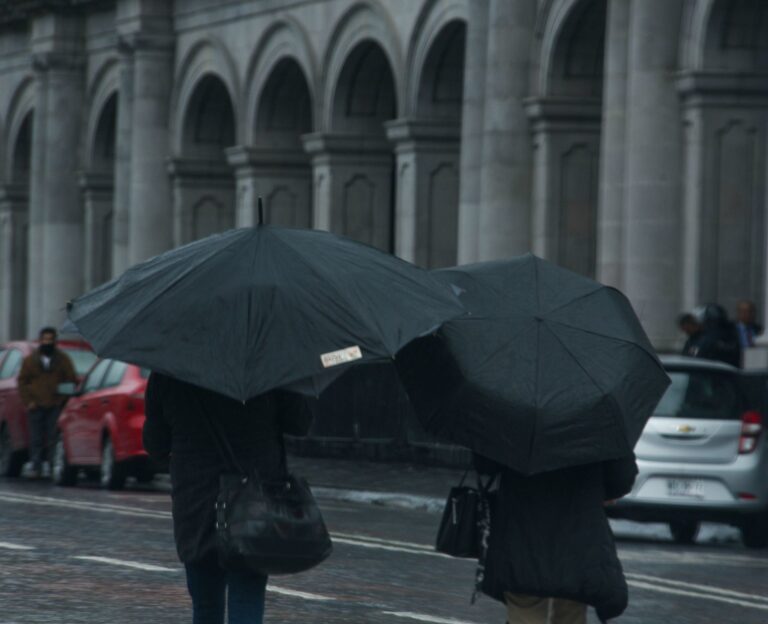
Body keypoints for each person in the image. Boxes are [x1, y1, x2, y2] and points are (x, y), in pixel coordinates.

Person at [142, 372, 313, 624]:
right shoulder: (267, 368)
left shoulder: (169, 370)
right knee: (247, 595)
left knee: (206, 605)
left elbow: (155, 445)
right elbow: (300, 423)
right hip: (254, 499)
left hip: (196, 502)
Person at [475, 453, 637, 624]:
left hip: (522, 539)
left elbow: (485, 464)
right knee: (570, 611)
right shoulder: (600, 428)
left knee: (525, 609)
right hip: (578, 543)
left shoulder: (512, 426)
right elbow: (622, 477)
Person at [17, 327, 77, 478]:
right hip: (35, 405)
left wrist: (61, 400)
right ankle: (36, 466)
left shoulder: (63, 360)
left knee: (52, 438)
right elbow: (22, 382)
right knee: (35, 438)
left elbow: (71, 380)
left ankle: (51, 466)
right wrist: (28, 401)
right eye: (45, 340)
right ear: (40, 341)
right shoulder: (30, 360)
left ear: (55, 341)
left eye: (50, 340)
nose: (47, 343)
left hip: (54, 405)